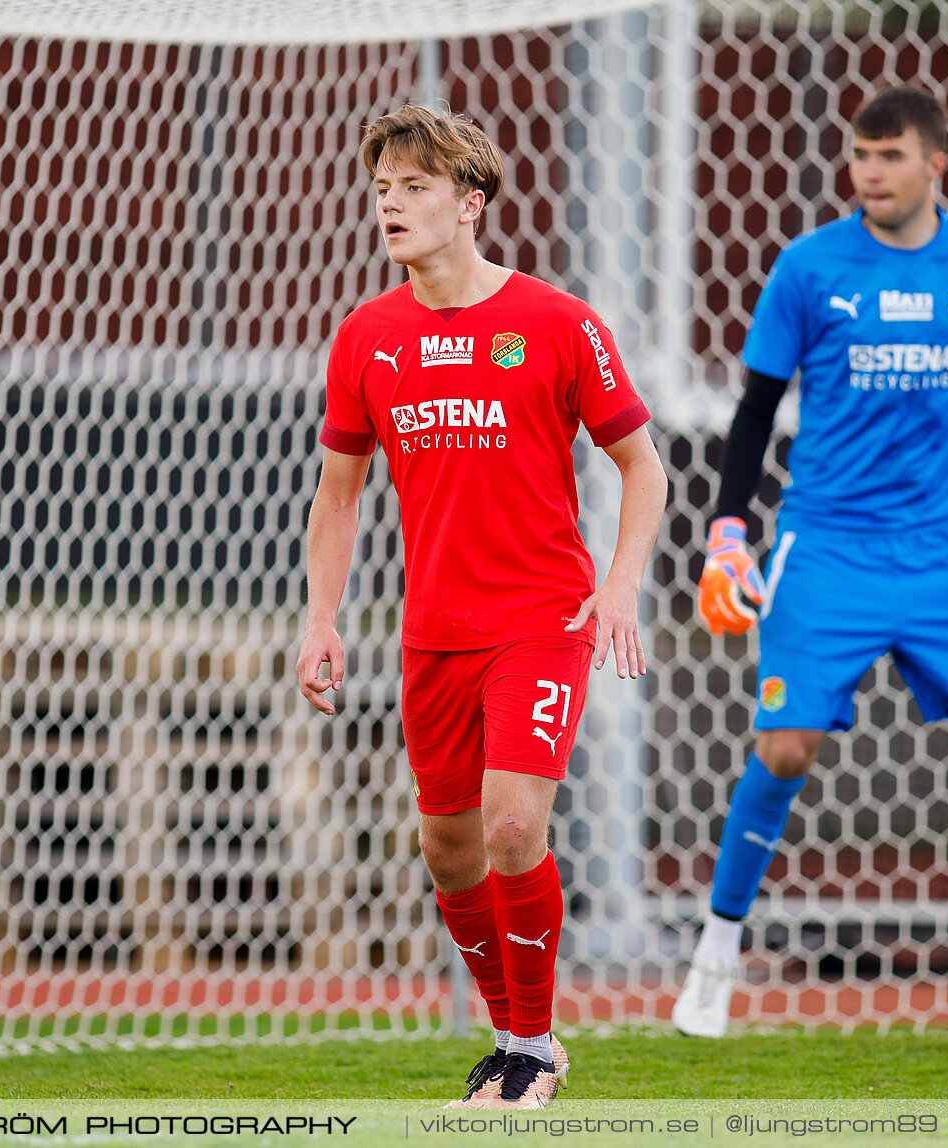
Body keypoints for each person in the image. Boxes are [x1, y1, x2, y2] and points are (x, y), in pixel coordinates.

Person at [295, 105, 668, 1108]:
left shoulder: (557, 322)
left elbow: (643, 466)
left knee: (511, 827)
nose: (391, 204)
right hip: (432, 633)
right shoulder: (367, 335)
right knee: (447, 848)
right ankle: (512, 1038)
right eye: (382, 189)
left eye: (414, 187)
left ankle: (534, 1049)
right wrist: (321, 619)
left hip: (542, 617)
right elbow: (338, 494)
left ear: (471, 203)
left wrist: (620, 578)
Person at [675, 88, 948, 1039]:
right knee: (784, 747)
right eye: (859, 155)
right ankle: (714, 964)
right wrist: (729, 532)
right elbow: (757, 409)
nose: (869, 172)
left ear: (937, 162)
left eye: (889, 155)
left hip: (941, 545)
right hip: (828, 545)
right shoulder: (809, 269)